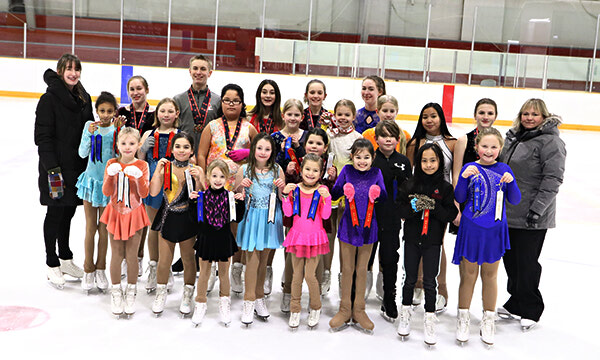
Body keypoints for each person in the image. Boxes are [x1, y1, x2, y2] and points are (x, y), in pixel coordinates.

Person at [498, 98, 566, 331]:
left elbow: (553, 179)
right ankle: (516, 301)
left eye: (534, 114)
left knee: (526, 262)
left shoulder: (550, 142)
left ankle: (531, 307)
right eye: (525, 113)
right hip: (509, 212)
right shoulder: (515, 137)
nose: (529, 118)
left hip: (532, 215)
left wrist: (537, 210)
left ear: (544, 117)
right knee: (511, 260)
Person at [453, 127, 521, 346]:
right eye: (484, 146)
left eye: (493, 147)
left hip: (494, 231)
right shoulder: (470, 167)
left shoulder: (504, 169)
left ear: (500, 149)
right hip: (471, 228)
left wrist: (512, 183)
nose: (489, 150)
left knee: (490, 276)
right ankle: (463, 318)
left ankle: (488, 318)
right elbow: (460, 196)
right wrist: (462, 179)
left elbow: (516, 200)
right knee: (469, 275)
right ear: (476, 147)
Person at [35, 53, 93, 289]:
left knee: (68, 211)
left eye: (77, 69)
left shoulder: (83, 96)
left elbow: (89, 130)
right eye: (68, 68)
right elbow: (42, 137)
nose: (73, 73)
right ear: (60, 71)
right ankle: (52, 262)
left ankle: (66, 257)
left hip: (77, 168)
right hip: (56, 169)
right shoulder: (48, 100)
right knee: (55, 212)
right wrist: (52, 169)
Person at [197, 84, 257, 294]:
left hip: (238, 187)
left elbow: (260, 155)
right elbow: (202, 154)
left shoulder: (249, 128)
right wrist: (204, 182)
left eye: (236, 101)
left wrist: (247, 154)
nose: (231, 104)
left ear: (242, 104)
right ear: (220, 102)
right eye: (227, 100)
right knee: (214, 228)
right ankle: (213, 268)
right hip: (215, 188)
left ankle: (234, 269)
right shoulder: (211, 126)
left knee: (235, 229)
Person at [395, 143, 457, 346]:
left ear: (439, 162)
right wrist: (415, 206)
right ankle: (405, 314)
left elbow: (451, 215)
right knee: (409, 278)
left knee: (430, 281)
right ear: (418, 162)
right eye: (424, 160)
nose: (428, 165)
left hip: (433, 242)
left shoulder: (446, 188)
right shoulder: (409, 185)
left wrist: (434, 206)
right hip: (412, 239)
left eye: (433, 160)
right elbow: (401, 213)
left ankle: (429, 317)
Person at [329, 139, 386, 334]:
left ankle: (359, 309)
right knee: (347, 268)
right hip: (347, 227)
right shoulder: (346, 171)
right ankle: (344, 309)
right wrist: (340, 187)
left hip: (369, 228)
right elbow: (335, 194)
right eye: (358, 157)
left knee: (362, 269)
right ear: (352, 157)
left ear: (373, 158)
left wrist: (377, 194)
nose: (362, 161)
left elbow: (384, 197)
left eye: (367, 157)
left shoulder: (376, 173)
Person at [406, 102, 457, 311]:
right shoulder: (414, 143)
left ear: (441, 118)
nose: (429, 120)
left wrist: (454, 203)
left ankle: (440, 288)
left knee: (436, 243)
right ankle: (417, 283)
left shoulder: (452, 142)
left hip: (440, 197)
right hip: (418, 197)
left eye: (433, 116)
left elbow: (455, 173)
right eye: (425, 116)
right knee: (416, 240)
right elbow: (409, 173)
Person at [149, 132, 205, 317]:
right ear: (172, 149)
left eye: (186, 147)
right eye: (178, 146)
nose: (181, 150)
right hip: (167, 217)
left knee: (188, 259)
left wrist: (199, 179)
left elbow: (200, 198)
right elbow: (155, 191)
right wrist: (157, 172)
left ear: (191, 151)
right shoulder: (165, 168)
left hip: (187, 219)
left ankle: (188, 294)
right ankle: (160, 293)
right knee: (164, 260)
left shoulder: (195, 169)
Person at [235, 133, 285, 325]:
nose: (263, 152)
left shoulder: (277, 170)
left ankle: (258, 298)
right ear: (253, 149)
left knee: (264, 261)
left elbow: (283, 198)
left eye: (267, 149)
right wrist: (240, 187)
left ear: (272, 152)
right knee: (252, 260)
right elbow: (236, 195)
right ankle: (248, 300)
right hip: (251, 217)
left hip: (270, 219)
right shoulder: (245, 169)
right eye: (259, 148)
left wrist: (282, 188)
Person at [100, 127, 151, 317]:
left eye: (131, 144)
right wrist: (111, 176)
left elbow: (144, 194)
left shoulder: (142, 166)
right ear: (118, 145)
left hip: (134, 213)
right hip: (115, 212)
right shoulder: (112, 163)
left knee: (131, 255)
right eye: (123, 143)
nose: (127, 147)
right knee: (116, 254)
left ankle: (131, 291)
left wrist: (139, 180)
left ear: (138, 145)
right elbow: (106, 192)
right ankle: (115, 291)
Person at [76, 91, 121, 293]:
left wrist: (119, 132)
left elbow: (120, 156)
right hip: (91, 182)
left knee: (104, 229)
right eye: (102, 110)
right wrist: (88, 135)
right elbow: (82, 153)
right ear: (96, 111)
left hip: (108, 185)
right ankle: (88, 269)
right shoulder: (89, 127)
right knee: (90, 228)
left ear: (114, 112)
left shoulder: (116, 129)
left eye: (109, 111)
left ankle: (101, 267)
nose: (105, 115)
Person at [191, 160, 245, 327]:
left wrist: (241, 202)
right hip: (206, 239)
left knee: (224, 273)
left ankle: (224, 302)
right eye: (214, 175)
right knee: (204, 273)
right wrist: (192, 203)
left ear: (228, 178)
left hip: (223, 239)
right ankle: (200, 303)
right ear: (207, 176)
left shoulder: (230, 197)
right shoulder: (201, 197)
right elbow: (195, 220)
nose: (218, 179)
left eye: (222, 176)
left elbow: (237, 217)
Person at [282, 154, 332, 329]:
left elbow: (325, 215)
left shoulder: (322, 191)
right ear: (301, 170)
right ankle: (295, 308)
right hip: (297, 237)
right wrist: (284, 195)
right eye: (307, 169)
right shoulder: (295, 189)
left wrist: (327, 199)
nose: (311, 173)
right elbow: (288, 213)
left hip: (314, 238)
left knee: (311, 276)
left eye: (315, 170)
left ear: (321, 173)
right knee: (296, 275)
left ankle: (316, 307)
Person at [138, 98, 181, 293]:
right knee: (153, 228)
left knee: (168, 229)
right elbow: (139, 158)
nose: (165, 114)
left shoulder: (180, 135)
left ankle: (166, 267)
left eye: (170, 111)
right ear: (157, 114)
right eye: (162, 110)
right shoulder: (149, 133)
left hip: (172, 185)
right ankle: (154, 267)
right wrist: (143, 147)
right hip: (153, 184)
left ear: (176, 114)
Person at [372, 120, 412, 321]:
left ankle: (389, 297)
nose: (388, 139)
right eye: (383, 136)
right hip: (368, 218)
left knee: (390, 258)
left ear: (398, 139)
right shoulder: (370, 159)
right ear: (376, 139)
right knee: (365, 258)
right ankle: (355, 297)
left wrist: (403, 211)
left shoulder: (404, 161)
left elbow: (408, 191)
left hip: (392, 219)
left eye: (392, 136)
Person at [118, 75, 155, 276]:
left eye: (139, 88)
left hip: (144, 168)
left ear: (146, 89)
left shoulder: (154, 114)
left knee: (142, 215)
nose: (135, 92)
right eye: (132, 89)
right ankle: (125, 256)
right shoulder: (122, 113)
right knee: (125, 212)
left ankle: (139, 256)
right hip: (124, 169)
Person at [327, 99, 363, 296]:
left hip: (350, 193)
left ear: (353, 117)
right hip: (332, 189)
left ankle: (344, 275)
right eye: (339, 114)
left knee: (345, 237)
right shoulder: (329, 136)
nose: (342, 118)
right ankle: (326, 272)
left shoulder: (358, 138)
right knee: (329, 234)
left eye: (347, 115)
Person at [451, 98, 498, 234]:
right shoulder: (463, 141)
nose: (485, 117)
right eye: (481, 112)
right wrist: (457, 205)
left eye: (490, 113)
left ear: (495, 116)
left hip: (491, 202)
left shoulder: (501, 142)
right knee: (466, 245)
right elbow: (456, 174)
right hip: (468, 200)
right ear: (475, 115)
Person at [173, 55, 221, 146]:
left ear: (209, 73)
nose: (198, 72)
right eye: (195, 68)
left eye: (203, 69)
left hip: (209, 151)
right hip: (184, 152)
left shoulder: (218, 101)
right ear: (190, 71)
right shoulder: (178, 100)